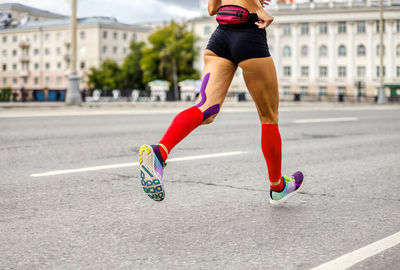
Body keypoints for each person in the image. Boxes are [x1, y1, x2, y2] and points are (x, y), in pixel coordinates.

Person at [139, 0, 304, 204]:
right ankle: (277, 187)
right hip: (248, 34)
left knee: (205, 108)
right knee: (268, 116)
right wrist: (258, 7)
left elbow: (211, 9)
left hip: (221, 38)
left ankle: (160, 152)